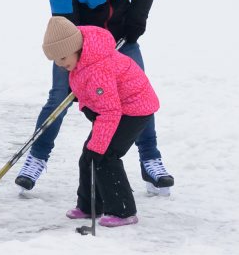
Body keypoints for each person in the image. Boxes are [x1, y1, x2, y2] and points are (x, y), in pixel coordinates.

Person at [16, 0, 174, 194]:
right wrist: (84, 60)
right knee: (59, 96)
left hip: (123, 32)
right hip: (78, 39)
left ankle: (150, 160)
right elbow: (65, 22)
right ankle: (36, 158)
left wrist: (137, 17)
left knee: (137, 94)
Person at [41, 17, 160, 227]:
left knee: (104, 156)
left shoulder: (97, 69)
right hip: (117, 110)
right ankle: (90, 206)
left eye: (63, 58)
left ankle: (123, 212)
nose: (61, 64)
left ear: (76, 48)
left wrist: (98, 145)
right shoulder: (83, 60)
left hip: (134, 110)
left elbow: (109, 112)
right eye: (56, 61)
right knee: (89, 156)